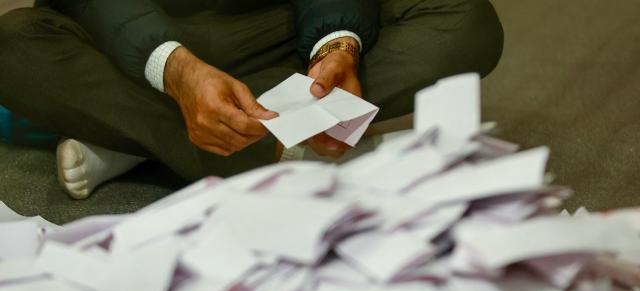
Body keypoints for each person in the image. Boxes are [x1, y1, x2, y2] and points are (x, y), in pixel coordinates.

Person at [0, 0, 503, 199]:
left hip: (274, 23)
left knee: (464, 21)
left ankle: (143, 136)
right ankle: (272, 139)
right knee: (14, 44)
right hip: (141, 33)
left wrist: (337, 41)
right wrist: (173, 68)